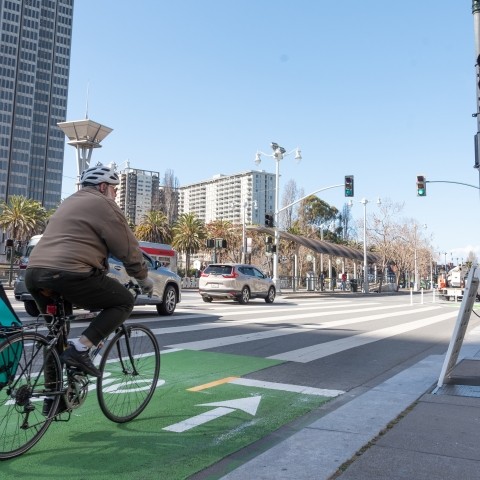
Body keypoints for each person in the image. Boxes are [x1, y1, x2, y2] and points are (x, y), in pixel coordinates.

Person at [25, 164, 154, 389]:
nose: (115, 195)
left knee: (57, 336)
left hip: (35, 274)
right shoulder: (104, 204)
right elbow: (128, 248)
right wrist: (143, 278)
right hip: (68, 274)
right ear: (103, 187)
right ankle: (82, 347)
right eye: (115, 190)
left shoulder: (69, 202)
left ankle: (53, 398)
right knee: (123, 301)